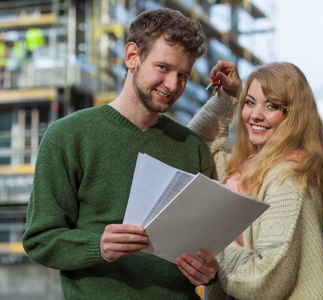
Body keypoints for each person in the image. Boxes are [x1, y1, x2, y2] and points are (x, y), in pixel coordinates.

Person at [22, 8, 219, 299]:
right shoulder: (67, 136)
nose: (173, 85)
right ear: (132, 56)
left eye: (183, 76)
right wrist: (97, 246)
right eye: (163, 68)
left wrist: (210, 271)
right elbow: (40, 239)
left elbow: (211, 246)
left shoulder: (193, 147)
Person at [186, 60, 323, 299]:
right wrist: (228, 97)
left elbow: (260, 282)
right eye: (249, 102)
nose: (256, 115)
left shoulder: (288, 180)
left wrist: (214, 238)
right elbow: (193, 150)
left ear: (293, 116)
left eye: (272, 106)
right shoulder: (246, 173)